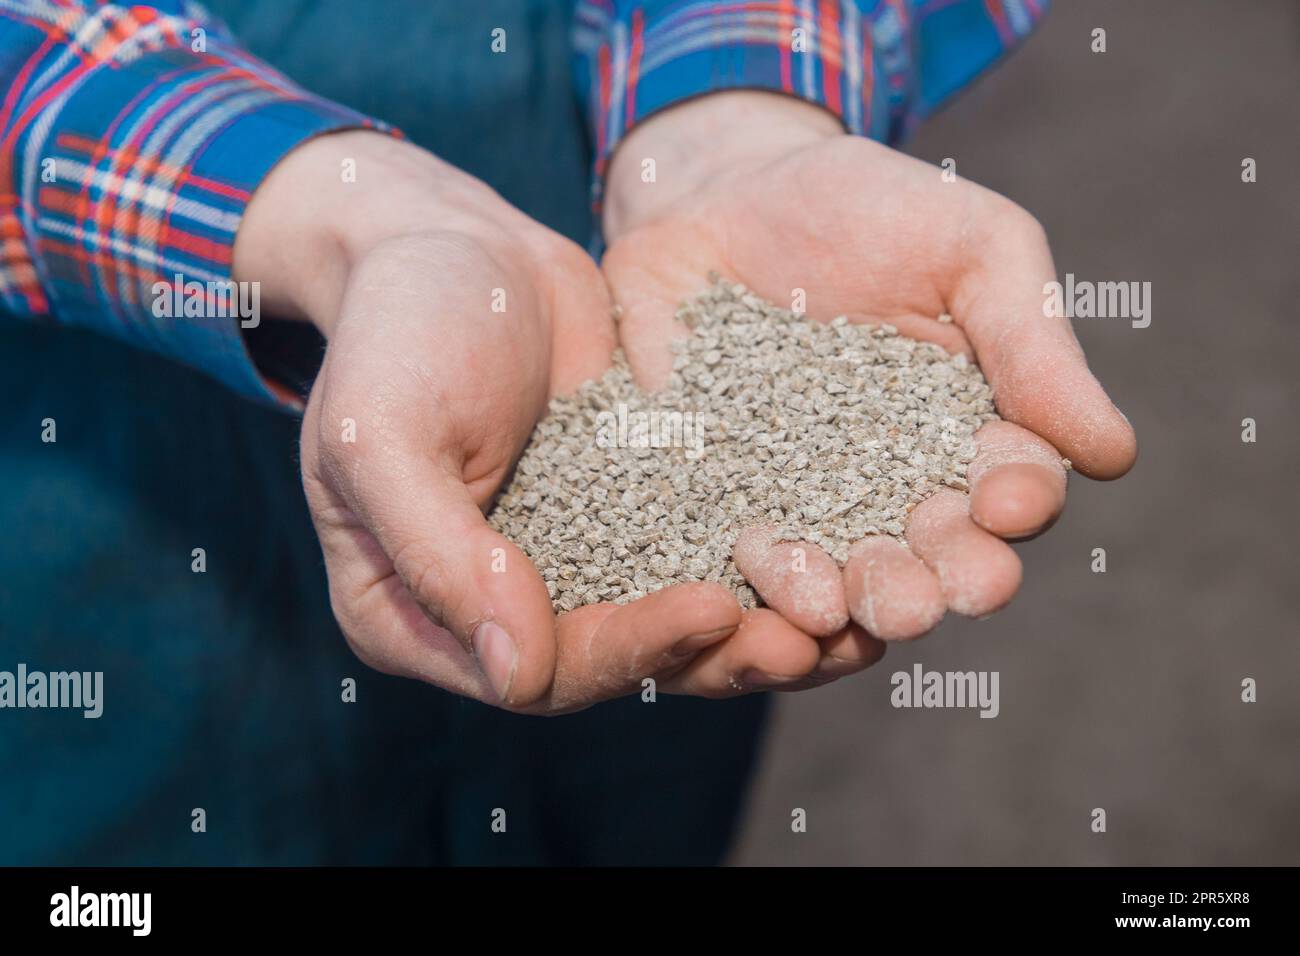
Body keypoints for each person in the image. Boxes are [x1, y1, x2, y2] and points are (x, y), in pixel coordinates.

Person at [0, 0, 1134, 864]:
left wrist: (728, 116)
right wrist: (342, 216)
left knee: (623, 771)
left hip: (572, 263)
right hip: (93, 452)